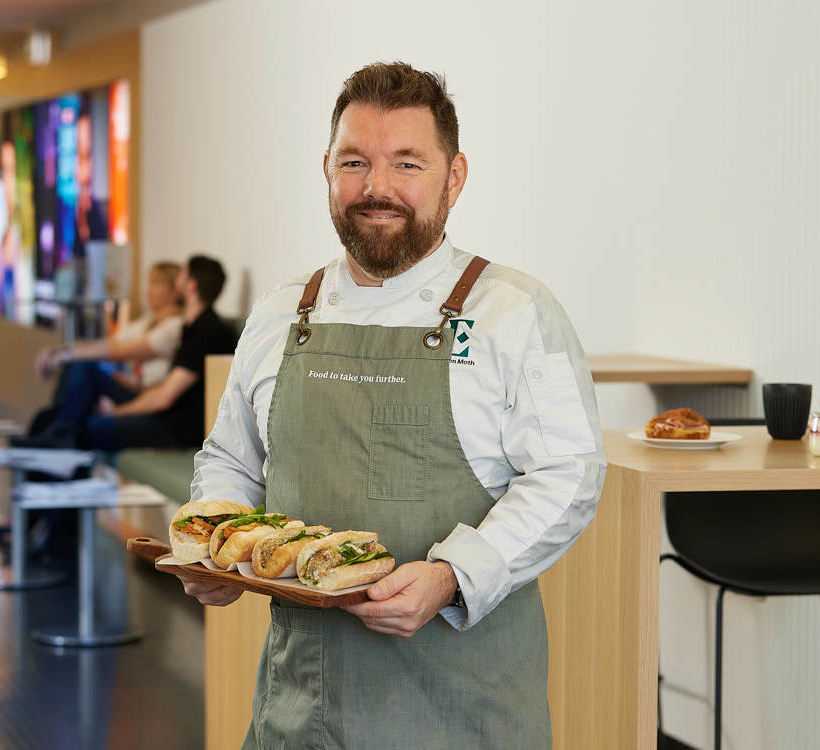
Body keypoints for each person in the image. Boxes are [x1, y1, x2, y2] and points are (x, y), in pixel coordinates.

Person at [183, 62, 607, 748]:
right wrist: (216, 551)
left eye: (407, 163)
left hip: (464, 712)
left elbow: (570, 476)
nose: (376, 188)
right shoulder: (280, 313)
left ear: (455, 175)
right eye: (355, 162)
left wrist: (452, 576)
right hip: (299, 712)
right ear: (326, 168)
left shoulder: (518, 312)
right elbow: (232, 458)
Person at [16, 255, 237, 451]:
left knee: (82, 428)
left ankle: (59, 432)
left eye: (183, 273)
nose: (178, 275)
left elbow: (164, 399)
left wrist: (116, 413)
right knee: (82, 372)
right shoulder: (193, 327)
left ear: (191, 286)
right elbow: (164, 388)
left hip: (175, 427)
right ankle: (60, 429)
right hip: (164, 414)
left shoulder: (206, 331)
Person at [34, 261, 184, 390]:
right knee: (77, 367)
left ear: (174, 291)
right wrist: (59, 350)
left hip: (144, 394)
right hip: (131, 386)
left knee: (84, 368)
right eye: (149, 283)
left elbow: (117, 350)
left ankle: (62, 420)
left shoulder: (175, 326)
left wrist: (65, 355)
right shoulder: (146, 322)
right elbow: (110, 343)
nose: (148, 290)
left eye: (156, 283)